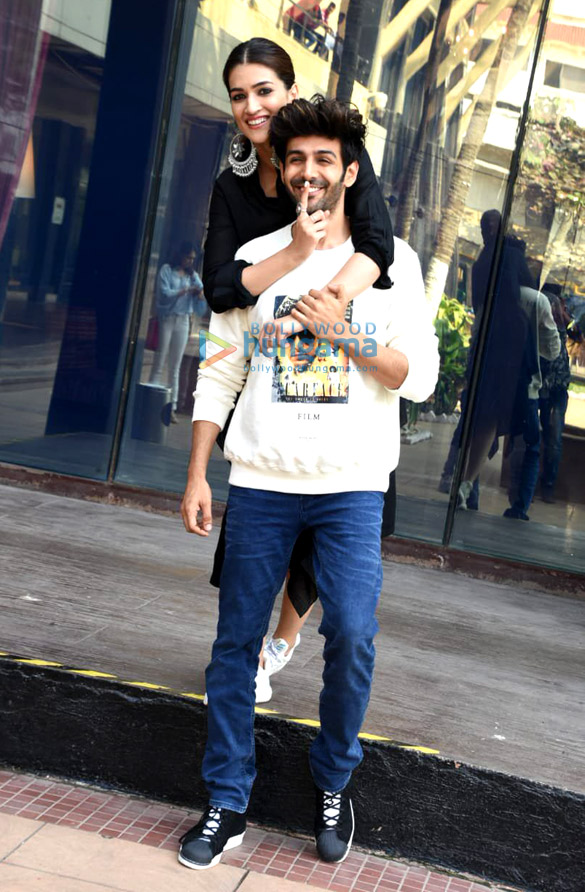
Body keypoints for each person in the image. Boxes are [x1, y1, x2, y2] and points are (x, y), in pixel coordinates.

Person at [178, 95, 439, 871]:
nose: (310, 171)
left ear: (348, 171)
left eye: (325, 159)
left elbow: (417, 379)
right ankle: (226, 801)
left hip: (351, 487)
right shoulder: (258, 261)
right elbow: (219, 368)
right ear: (282, 171)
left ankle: (332, 785)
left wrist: (344, 333)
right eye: (296, 160)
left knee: (352, 636)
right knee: (233, 646)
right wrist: (197, 471)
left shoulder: (392, 268)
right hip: (259, 482)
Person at [203, 38, 396, 703]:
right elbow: (220, 290)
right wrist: (286, 262)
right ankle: (247, 646)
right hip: (260, 371)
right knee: (251, 542)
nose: (251, 105)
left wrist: (320, 309)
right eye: (238, 94)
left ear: (288, 92)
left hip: (331, 386)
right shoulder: (233, 184)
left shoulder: (334, 159)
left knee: (323, 545)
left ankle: (277, 642)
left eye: (264, 90)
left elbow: (376, 244)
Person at [457, 213, 538, 506]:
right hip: (499, 338)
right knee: (487, 412)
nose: (487, 230)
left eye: (490, 226)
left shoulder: (495, 256)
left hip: (500, 338)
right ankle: (467, 485)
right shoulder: (498, 255)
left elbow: (519, 292)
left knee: (486, 412)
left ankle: (466, 484)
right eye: (484, 226)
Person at [503, 281, 560, 521]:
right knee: (530, 447)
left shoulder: (504, 292)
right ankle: (520, 506)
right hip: (528, 386)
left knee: (482, 439)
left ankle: (468, 495)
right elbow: (553, 347)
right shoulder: (539, 301)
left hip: (497, 381)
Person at [149, 241, 203, 423]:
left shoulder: (192, 275)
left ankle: (171, 407)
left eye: (192, 259)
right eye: (188, 257)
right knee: (160, 360)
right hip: (167, 318)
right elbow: (164, 293)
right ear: (180, 255)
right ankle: (150, 400)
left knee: (175, 365)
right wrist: (185, 290)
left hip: (183, 320)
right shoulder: (166, 270)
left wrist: (198, 292)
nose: (190, 261)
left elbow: (203, 291)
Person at [538, 284, 572, 503]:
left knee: (555, 439)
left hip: (558, 389)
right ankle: (530, 482)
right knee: (536, 434)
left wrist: (563, 316)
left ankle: (548, 485)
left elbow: (572, 330)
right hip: (541, 387)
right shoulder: (543, 317)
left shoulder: (563, 321)